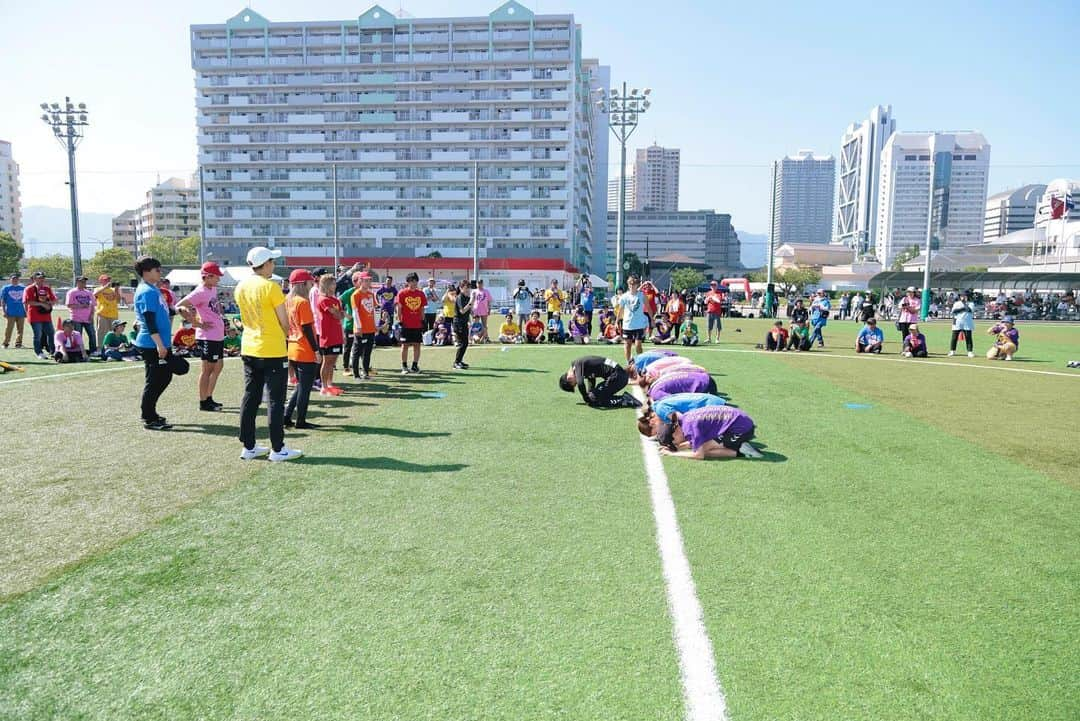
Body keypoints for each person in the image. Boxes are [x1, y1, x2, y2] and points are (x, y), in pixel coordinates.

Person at [235, 246, 302, 462]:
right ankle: (278, 449)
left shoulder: (241, 287)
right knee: (275, 400)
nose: (274, 264)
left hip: (249, 347)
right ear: (266, 264)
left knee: (251, 397)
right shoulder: (270, 287)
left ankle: (249, 446)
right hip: (272, 349)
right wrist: (286, 335)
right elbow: (284, 321)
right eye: (272, 261)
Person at [132, 257, 182, 430]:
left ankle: (150, 413)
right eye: (157, 270)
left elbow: (164, 311)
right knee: (156, 380)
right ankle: (148, 417)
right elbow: (149, 320)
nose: (160, 273)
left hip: (159, 342)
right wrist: (160, 345)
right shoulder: (146, 291)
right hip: (151, 343)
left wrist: (178, 310)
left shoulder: (154, 289)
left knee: (164, 376)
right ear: (146, 272)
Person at [177, 261, 227, 411]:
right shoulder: (199, 292)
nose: (219, 279)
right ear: (208, 276)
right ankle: (203, 401)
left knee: (218, 366)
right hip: (208, 336)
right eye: (216, 276)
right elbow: (180, 306)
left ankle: (209, 398)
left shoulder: (211, 289)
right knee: (208, 369)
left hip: (216, 335)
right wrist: (197, 324)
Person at [284, 269, 321, 430]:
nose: (311, 284)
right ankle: (301, 420)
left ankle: (287, 416)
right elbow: (306, 328)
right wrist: (316, 350)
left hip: (292, 347)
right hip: (304, 348)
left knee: (300, 386)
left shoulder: (288, 300)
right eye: (309, 282)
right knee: (305, 389)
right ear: (302, 284)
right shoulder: (302, 302)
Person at [657, 406, 762, 460]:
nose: (676, 443)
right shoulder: (685, 420)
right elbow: (694, 442)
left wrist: (673, 453)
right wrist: (678, 448)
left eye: (674, 442)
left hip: (741, 429)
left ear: (675, 433)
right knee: (702, 446)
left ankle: (742, 451)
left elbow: (698, 455)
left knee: (705, 450)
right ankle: (739, 446)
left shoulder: (689, 428)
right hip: (739, 421)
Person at [558, 355, 640, 409]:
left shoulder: (577, 364)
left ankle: (624, 400)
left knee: (594, 400)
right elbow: (591, 378)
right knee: (593, 397)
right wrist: (590, 392)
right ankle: (624, 399)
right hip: (618, 376)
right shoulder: (578, 366)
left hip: (617, 377)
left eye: (573, 384)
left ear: (569, 378)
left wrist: (586, 398)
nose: (575, 384)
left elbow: (580, 383)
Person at [637, 392, 727, 438]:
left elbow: (684, 420)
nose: (660, 433)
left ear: (652, 422)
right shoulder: (658, 406)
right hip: (710, 401)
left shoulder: (661, 410)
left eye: (657, 432)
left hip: (713, 408)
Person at [315, 273, 345, 395]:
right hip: (327, 335)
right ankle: (323, 386)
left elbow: (340, 315)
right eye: (332, 283)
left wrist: (340, 313)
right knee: (327, 362)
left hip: (337, 334)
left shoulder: (335, 300)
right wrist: (339, 313)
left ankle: (330, 384)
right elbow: (337, 314)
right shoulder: (323, 299)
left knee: (333, 362)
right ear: (326, 285)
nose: (335, 285)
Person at [396, 272, 426, 374]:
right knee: (405, 345)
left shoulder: (421, 294)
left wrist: (423, 320)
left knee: (417, 345)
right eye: (411, 281)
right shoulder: (402, 293)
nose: (413, 283)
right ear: (407, 282)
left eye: (415, 280)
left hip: (417, 324)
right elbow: (399, 309)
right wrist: (400, 321)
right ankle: (404, 366)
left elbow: (422, 309)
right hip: (406, 324)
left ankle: (415, 365)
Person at [24, 271, 57, 359]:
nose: (41, 279)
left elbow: (54, 300)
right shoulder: (29, 289)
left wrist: (48, 303)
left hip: (46, 316)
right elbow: (28, 302)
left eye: (42, 278)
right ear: (34, 279)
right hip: (34, 316)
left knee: (51, 333)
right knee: (37, 335)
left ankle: (53, 351)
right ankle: (39, 352)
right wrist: (42, 304)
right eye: (39, 278)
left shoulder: (47, 288)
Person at [350, 273, 377, 379]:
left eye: (369, 280)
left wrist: (376, 324)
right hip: (360, 329)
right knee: (357, 352)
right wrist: (358, 327)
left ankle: (365, 372)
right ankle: (356, 374)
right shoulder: (356, 294)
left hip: (370, 328)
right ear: (360, 281)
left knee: (368, 352)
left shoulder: (371, 294)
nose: (368, 282)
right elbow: (355, 312)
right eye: (365, 280)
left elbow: (374, 310)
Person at [618, 275, 649, 363]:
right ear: (628, 285)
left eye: (634, 283)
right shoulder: (624, 296)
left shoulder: (641, 295)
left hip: (639, 324)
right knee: (627, 345)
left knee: (638, 345)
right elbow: (620, 310)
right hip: (627, 324)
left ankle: (640, 361)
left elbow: (648, 307)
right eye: (630, 283)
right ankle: (629, 362)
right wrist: (617, 320)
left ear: (637, 284)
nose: (632, 285)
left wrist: (652, 319)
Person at [66, 276, 97, 352]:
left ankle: (93, 351)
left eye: (84, 282)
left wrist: (92, 315)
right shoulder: (72, 292)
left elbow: (93, 305)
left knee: (92, 335)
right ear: (77, 282)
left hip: (88, 318)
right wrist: (81, 306)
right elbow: (69, 305)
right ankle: (79, 350)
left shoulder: (89, 293)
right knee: (78, 335)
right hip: (76, 318)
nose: (83, 283)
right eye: (81, 282)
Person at [647, 368, 717, 401]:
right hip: (704, 378)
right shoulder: (658, 383)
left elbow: (672, 400)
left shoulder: (655, 393)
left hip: (704, 385)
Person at [338, 272, 359, 376]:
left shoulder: (365, 292)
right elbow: (338, 301)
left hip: (361, 325)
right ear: (355, 282)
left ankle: (364, 367)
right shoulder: (349, 292)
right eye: (361, 280)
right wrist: (345, 314)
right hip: (350, 325)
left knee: (362, 347)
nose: (365, 282)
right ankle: (346, 368)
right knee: (348, 346)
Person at [93, 275, 121, 352]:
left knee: (114, 332)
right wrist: (105, 287)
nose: (108, 281)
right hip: (102, 313)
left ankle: (114, 348)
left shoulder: (113, 289)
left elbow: (118, 300)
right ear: (101, 281)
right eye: (105, 280)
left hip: (113, 314)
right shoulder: (98, 289)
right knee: (101, 331)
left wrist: (116, 290)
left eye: (108, 280)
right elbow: (95, 294)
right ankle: (100, 348)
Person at [1, 272, 26, 349]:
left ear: (18, 279)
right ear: (10, 279)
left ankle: (18, 343)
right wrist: (4, 311)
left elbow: (26, 301)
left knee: (20, 329)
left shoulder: (23, 288)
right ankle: (5, 343)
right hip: (10, 312)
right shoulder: (6, 288)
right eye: (13, 278)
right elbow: (3, 301)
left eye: (16, 279)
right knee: (9, 328)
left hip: (21, 312)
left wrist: (26, 311)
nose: (15, 280)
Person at [453, 279, 473, 369]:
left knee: (465, 343)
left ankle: (459, 360)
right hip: (458, 323)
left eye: (469, 288)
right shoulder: (459, 297)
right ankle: (456, 362)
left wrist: (470, 320)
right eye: (466, 288)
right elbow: (462, 311)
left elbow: (469, 311)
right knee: (462, 343)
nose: (468, 289)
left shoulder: (467, 297)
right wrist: (471, 301)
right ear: (461, 288)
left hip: (464, 322)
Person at [948, 292, 976, 357]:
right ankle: (952, 351)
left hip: (967, 322)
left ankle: (970, 352)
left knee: (968, 337)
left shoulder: (971, 303)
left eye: (964, 296)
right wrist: (963, 309)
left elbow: (969, 310)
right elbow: (954, 311)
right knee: (954, 337)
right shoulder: (957, 303)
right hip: (957, 321)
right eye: (961, 296)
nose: (963, 297)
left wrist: (964, 304)